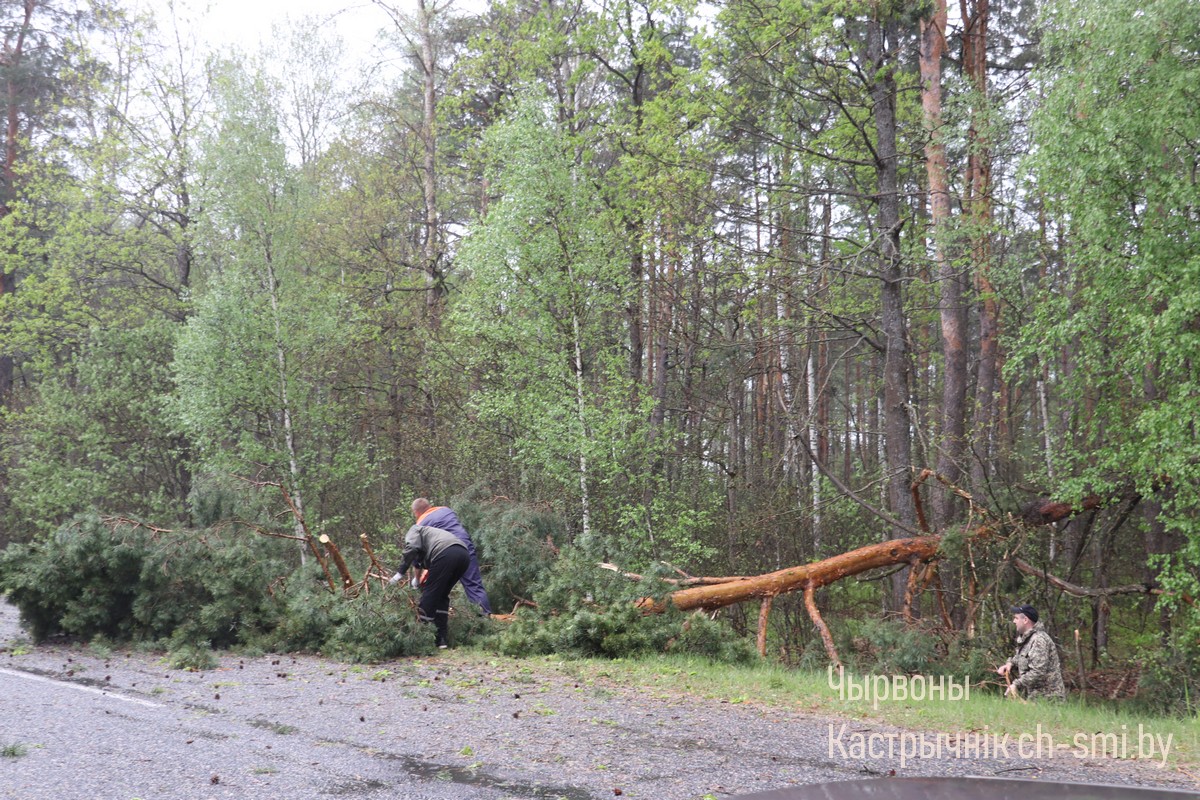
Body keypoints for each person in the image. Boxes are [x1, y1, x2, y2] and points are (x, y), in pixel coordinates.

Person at [389, 524, 470, 649]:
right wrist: (417, 579)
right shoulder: (430, 537)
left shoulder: (414, 529)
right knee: (441, 595)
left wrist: (400, 573)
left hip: (445, 553)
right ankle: (441, 639)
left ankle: (423, 636)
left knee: (429, 595)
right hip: (463, 555)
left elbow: (411, 548)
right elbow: (418, 562)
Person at [411, 498, 493, 616]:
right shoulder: (446, 510)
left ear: (416, 512)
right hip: (465, 547)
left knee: (438, 589)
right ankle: (485, 617)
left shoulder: (420, 524)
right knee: (474, 584)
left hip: (446, 553)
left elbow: (417, 556)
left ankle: (433, 620)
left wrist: (417, 579)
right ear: (429, 506)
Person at [996, 604, 1066, 700]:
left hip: (1050, 700)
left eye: (1016, 618)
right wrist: (1010, 664)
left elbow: (1038, 672)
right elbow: (1022, 657)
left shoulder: (1039, 640)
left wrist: (1016, 684)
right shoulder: (1028, 639)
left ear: (1025, 620)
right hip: (1037, 698)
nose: (1014, 621)